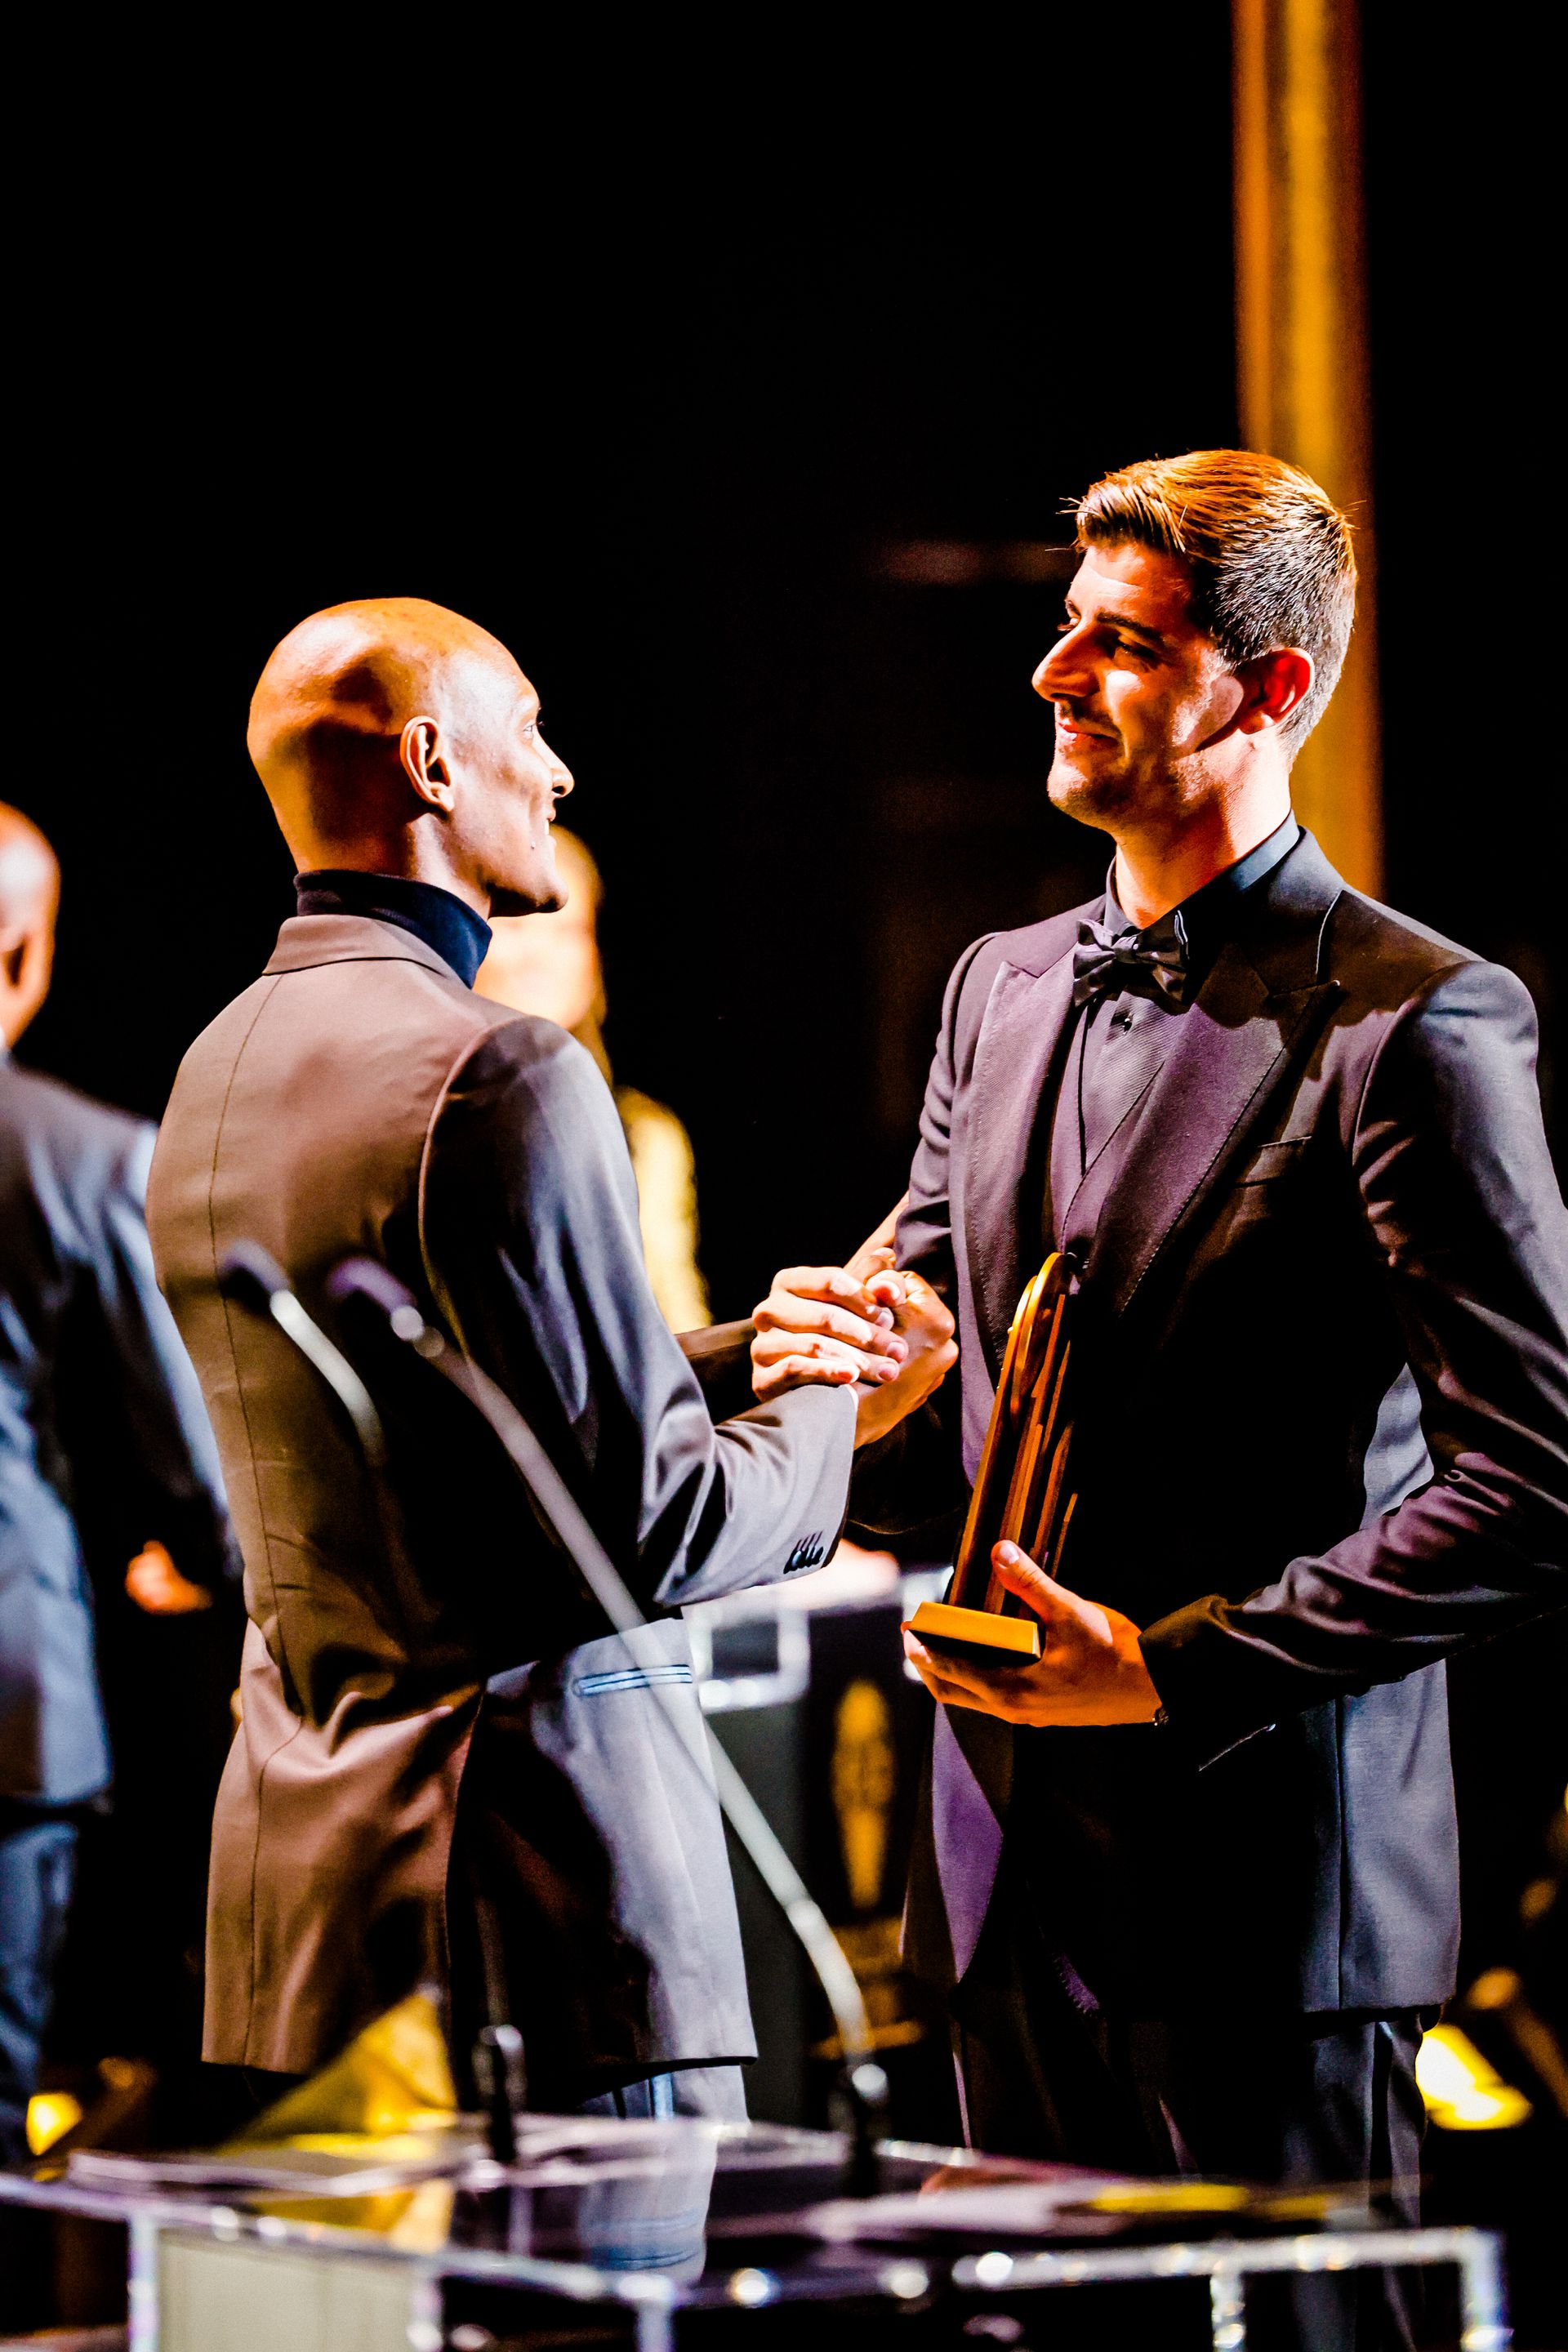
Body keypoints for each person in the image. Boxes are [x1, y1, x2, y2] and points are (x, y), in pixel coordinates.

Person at [751, 452, 1568, 2344]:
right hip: (998, 1873)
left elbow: (1530, 1484)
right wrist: (842, 1367)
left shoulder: (1419, 1020)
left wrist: (1175, 1659)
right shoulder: (998, 984)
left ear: (1269, 690)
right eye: (1063, 631)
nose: (1053, 675)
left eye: (1120, 643)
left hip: (1271, 1902)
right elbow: (925, 1315)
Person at [146, 599, 955, 2119]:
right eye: (528, 724)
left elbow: (446, 1410)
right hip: (543, 1927)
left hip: (306, 1929)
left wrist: (727, 1356)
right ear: (435, 763)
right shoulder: (503, 1069)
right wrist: (835, 1400)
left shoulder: (213, 1069)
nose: (562, 769)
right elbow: (655, 1529)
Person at [0, 806, 236, 2171]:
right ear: (24, 955)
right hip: (13, 1712)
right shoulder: (84, 1157)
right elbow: (190, 1455)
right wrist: (226, 1564)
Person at [476, 827, 711, 1333]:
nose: (543, 956)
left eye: (568, 932)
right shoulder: (424, 1117)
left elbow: (674, 1317)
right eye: (517, 926)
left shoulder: (645, 1135)